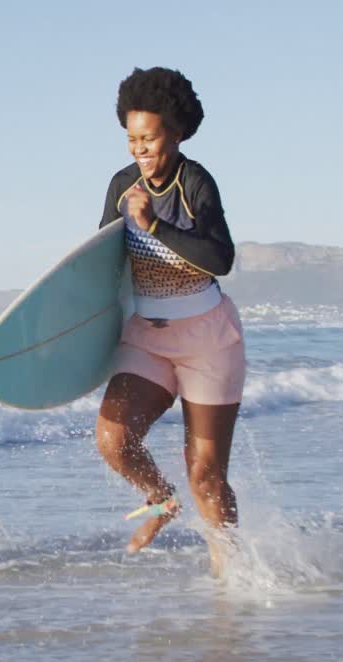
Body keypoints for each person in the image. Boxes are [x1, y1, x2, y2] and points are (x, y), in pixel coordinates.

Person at [95, 67, 245, 576]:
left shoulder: (195, 183)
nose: (139, 148)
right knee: (114, 440)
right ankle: (160, 498)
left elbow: (221, 258)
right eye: (131, 138)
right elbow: (98, 263)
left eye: (150, 137)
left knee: (205, 473)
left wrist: (153, 224)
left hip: (207, 339)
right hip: (148, 337)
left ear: (176, 133)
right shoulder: (121, 186)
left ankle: (230, 574)